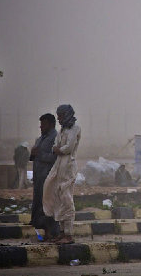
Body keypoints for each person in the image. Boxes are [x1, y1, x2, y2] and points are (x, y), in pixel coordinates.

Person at [42, 104, 81, 244]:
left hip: (68, 167)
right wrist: (57, 149)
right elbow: (55, 146)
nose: (59, 118)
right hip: (58, 166)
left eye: (61, 115)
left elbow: (68, 148)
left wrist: (59, 149)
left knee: (66, 198)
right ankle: (62, 232)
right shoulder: (62, 130)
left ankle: (69, 234)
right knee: (56, 196)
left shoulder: (75, 129)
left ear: (67, 115)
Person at [29, 113, 60, 241]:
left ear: (51, 124)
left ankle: (51, 232)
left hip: (48, 178)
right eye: (40, 124)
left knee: (48, 206)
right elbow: (35, 157)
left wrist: (40, 154)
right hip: (39, 178)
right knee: (39, 205)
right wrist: (33, 154)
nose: (41, 127)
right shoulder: (40, 139)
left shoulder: (55, 138)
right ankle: (44, 231)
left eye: (44, 124)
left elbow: (55, 157)